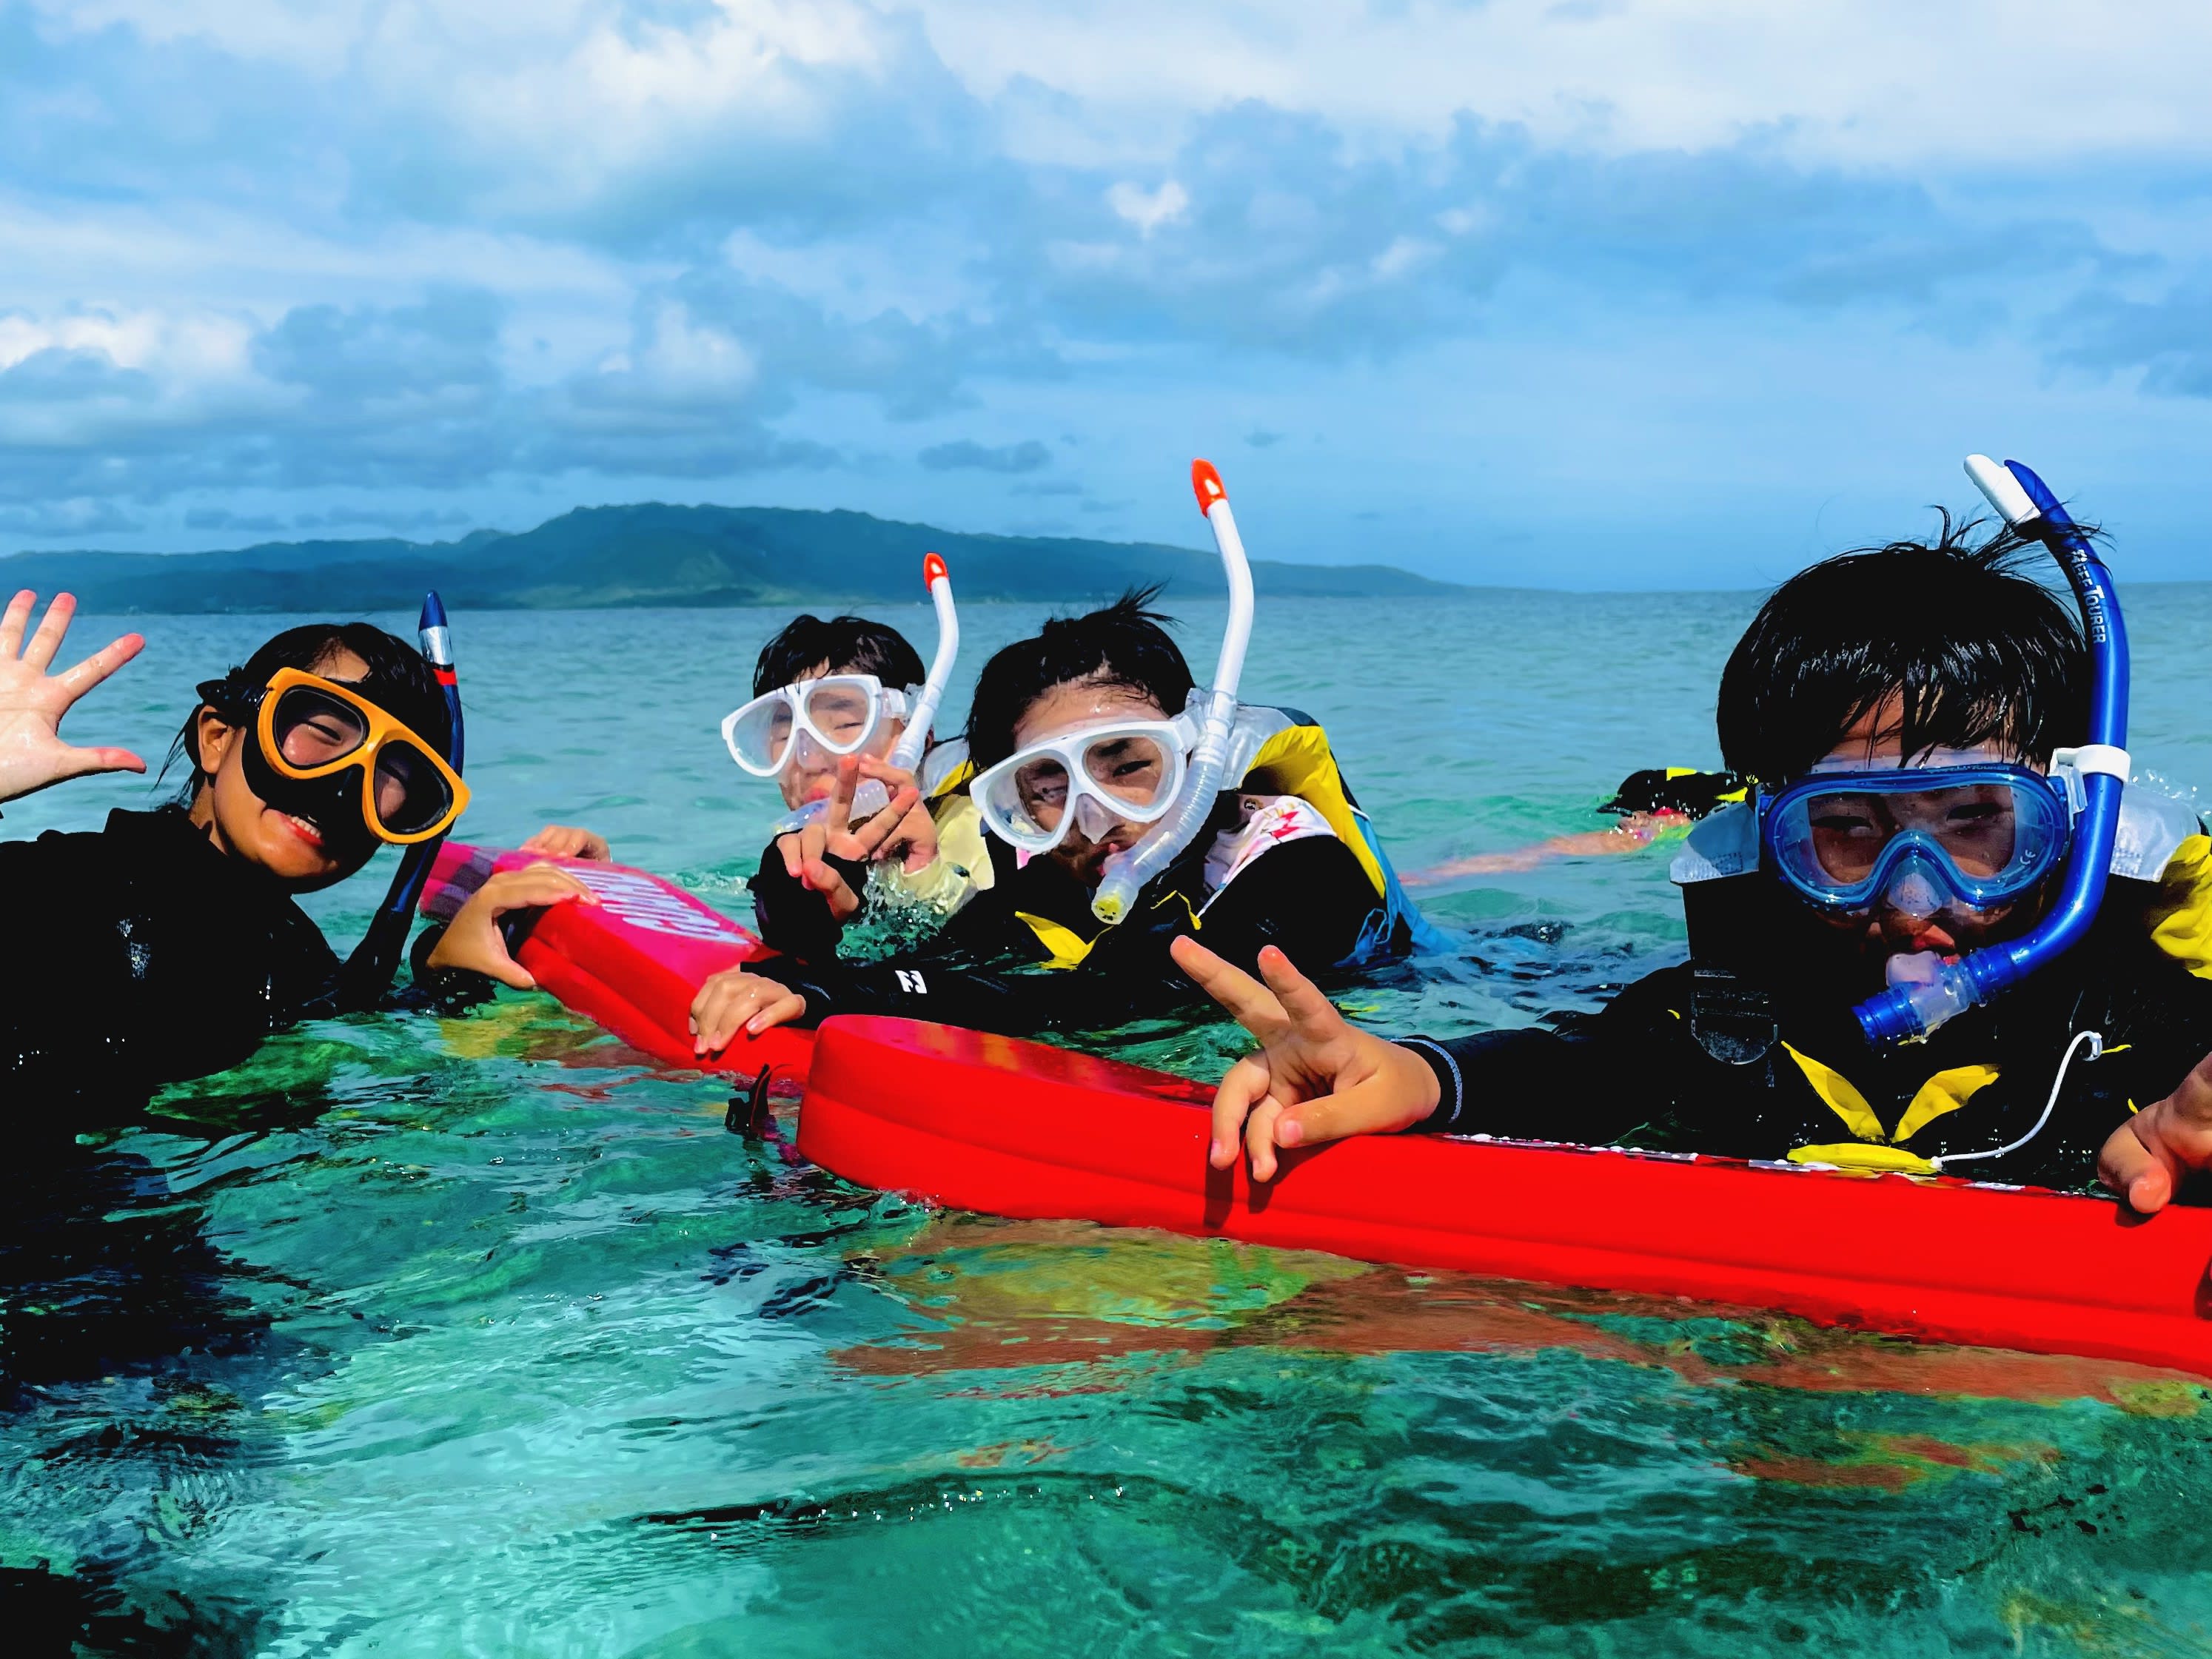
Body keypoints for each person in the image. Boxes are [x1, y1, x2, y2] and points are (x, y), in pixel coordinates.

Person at [1179, 510, 2212, 1210]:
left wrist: (2182, 1137)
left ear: (2067, 825)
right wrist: (1413, 1073)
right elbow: (1581, 1065)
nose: (1910, 893)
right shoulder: (1734, 1012)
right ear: (1771, 842)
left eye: (1975, 821)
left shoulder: (2146, 1020)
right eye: (1846, 828)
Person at [686, 590, 1430, 1050]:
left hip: (1456, 992)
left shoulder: (1290, 865)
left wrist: (847, 1000)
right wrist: (818, 915)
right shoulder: (1047, 882)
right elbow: (940, 970)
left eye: (1130, 764)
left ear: (1197, 757)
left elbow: (1123, 996)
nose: (1094, 816)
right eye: (1046, 786)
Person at [0, 590, 591, 1106]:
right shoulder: (71, 886)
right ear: (216, 738)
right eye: (320, 736)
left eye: (396, 781)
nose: (341, 791)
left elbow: (335, 1048)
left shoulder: (292, 955)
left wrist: (448, 973)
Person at [731, 610, 988, 959]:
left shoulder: (972, 829)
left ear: (918, 738)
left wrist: (925, 874)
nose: (810, 759)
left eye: (847, 724)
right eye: (784, 732)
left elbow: (1002, 954)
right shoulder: (790, 853)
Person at [1404, 768, 1747, 882]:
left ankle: (1442, 872)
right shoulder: (1674, 817)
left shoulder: (1702, 800)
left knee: (1543, 851)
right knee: (1546, 851)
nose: (1624, 820)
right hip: (1665, 815)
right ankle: (1437, 874)